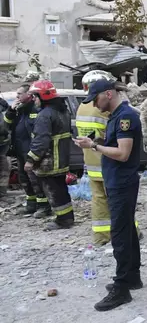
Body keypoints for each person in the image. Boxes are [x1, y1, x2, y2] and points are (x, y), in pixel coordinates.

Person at [74, 80, 143, 311]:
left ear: (108, 93)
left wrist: (94, 146)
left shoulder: (126, 116)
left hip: (122, 182)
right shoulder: (115, 115)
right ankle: (133, 276)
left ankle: (122, 286)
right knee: (127, 229)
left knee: (120, 233)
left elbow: (123, 153)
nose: (95, 104)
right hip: (117, 180)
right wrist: (97, 142)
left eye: (96, 99)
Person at [24, 80, 74, 230]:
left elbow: (41, 140)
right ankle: (67, 217)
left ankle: (63, 220)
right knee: (61, 190)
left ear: (43, 96)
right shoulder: (63, 111)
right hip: (61, 159)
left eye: (35, 96)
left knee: (54, 191)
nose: (33, 100)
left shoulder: (45, 115)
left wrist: (31, 159)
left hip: (50, 161)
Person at [76, 70, 117, 245]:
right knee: (117, 200)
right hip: (106, 159)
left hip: (90, 161)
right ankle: (131, 231)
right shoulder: (102, 107)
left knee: (99, 199)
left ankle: (101, 236)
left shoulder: (81, 106)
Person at [3, 84, 43, 207]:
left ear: (29, 95)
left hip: (31, 151)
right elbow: (6, 126)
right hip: (20, 151)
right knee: (24, 180)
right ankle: (31, 204)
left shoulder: (36, 109)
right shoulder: (18, 109)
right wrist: (11, 111)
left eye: (20, 93)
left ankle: (43, 206)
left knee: (35, 180)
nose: (17, 96)